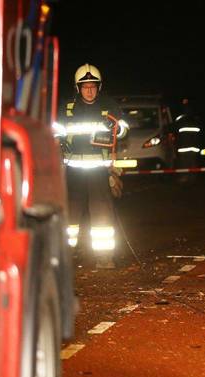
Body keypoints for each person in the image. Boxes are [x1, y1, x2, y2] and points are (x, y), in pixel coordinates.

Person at [55, 64, 128, 268]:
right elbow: (53, 129)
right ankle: (66, 255)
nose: (89, 90)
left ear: (99, 87)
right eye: (85, 86)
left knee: (102, 214)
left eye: (93, 86)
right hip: (73, 171)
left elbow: (124, 129)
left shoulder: (109, 106)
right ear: (78, 88)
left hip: (99, 170)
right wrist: (58, 139)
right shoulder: (67, 108)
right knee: (70, 214)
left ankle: (104, 258)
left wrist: (117, 126)